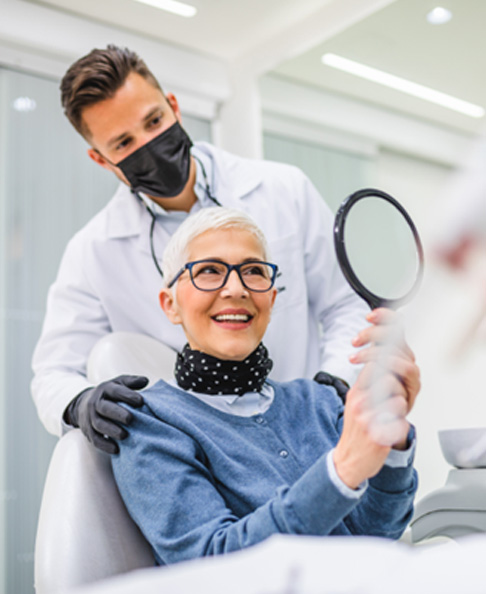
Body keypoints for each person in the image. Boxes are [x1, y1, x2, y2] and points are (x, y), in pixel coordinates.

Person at [31, 45, 369, 453]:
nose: (149, 145)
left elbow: (346, 305)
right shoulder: (94, 251)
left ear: (174, 107)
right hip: (201, 456)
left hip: (310, 432)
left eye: (154, 121)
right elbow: (54, 371)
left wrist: (333, 384)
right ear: (101, 160)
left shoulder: (283, 190)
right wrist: (78, 402)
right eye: (123, 143)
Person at [111, 207, 419, 566]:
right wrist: (342, 470)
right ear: (171, 305)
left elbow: (378, 532)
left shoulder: (319, 402)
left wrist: (392, 441)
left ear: (271, 299)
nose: (236, 289)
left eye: (253, 272)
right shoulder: (151, 425)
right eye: (209, 271)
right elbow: (214, 567)